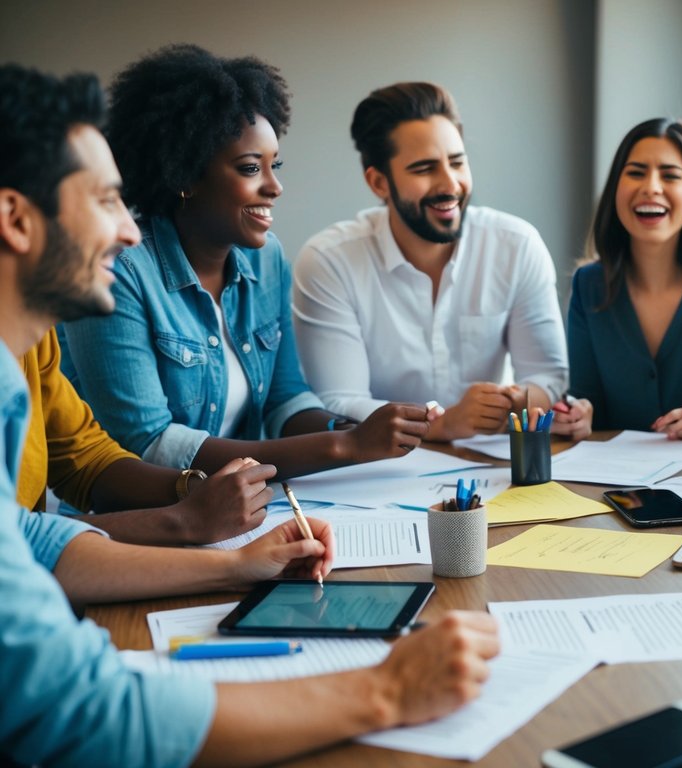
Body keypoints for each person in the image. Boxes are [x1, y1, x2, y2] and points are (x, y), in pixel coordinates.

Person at [0, 63, 498, 767]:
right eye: (106, 201)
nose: (129, 232)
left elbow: (35, 535)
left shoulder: (28, 350)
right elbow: (81, 713)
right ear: (17, 220)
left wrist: (235, 564)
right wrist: (385, 691)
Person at [60, 45, 432, 500]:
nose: (274, 187)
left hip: (248, 510)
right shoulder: (120, 273)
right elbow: (148, 444)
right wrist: (344, 445)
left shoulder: (265, 257)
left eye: (274, 166)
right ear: (185, 175)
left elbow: (285, 400)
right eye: (251, 168)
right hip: (145, 523)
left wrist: (358, 428)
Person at [292, 82, 567, 441]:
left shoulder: (517, 245)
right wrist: (441, 424)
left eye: (457, 162)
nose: (449, 184)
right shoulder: (329, 261)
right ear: (379, 182)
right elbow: (337, 399)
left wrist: (517, 400)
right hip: (374, 473)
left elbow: (549, 375)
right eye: (424, 169)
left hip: (491, 467)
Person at [558, 118, 682, 441]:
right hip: (607, 477)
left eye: (670, 176)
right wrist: (579, 415)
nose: (650, 187)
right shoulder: (588, 284)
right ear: (615, 190)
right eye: (636, 172)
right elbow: (585, 395)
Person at [22, 327, 272, 546]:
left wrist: (198, 490)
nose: (110, 269)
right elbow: (13, 537)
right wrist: (182, 521)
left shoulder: (31, 333)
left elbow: (87, 460)